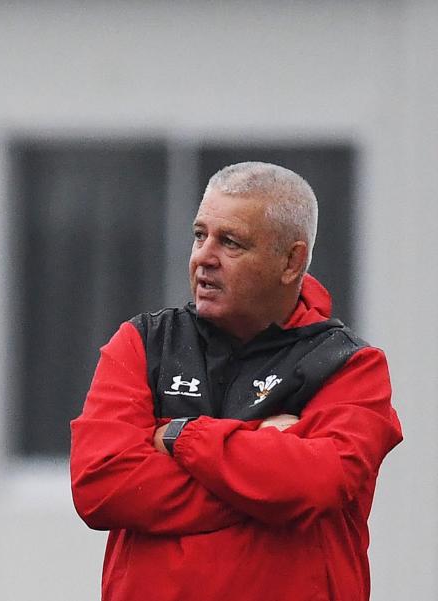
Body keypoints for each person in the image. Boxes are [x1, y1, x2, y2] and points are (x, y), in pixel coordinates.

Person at [70, 161, 402, 601]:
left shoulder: (351, 366)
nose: (204, 257)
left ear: (291, 261)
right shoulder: (143, 343)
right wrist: (263, 476)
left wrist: (180, 436)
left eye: (230, 242)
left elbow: (315, 483)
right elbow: (100, 485)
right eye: (199, 235)